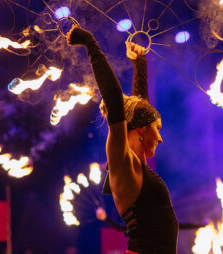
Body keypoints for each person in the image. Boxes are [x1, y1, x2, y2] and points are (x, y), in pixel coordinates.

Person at [68, 27, 178, 254]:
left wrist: (140, 64)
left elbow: (139, 108)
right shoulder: (123, 163)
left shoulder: (136, 161)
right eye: (157, 129)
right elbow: (115, 101)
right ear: (141, 131)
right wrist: (90, 43)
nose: (161, 138)